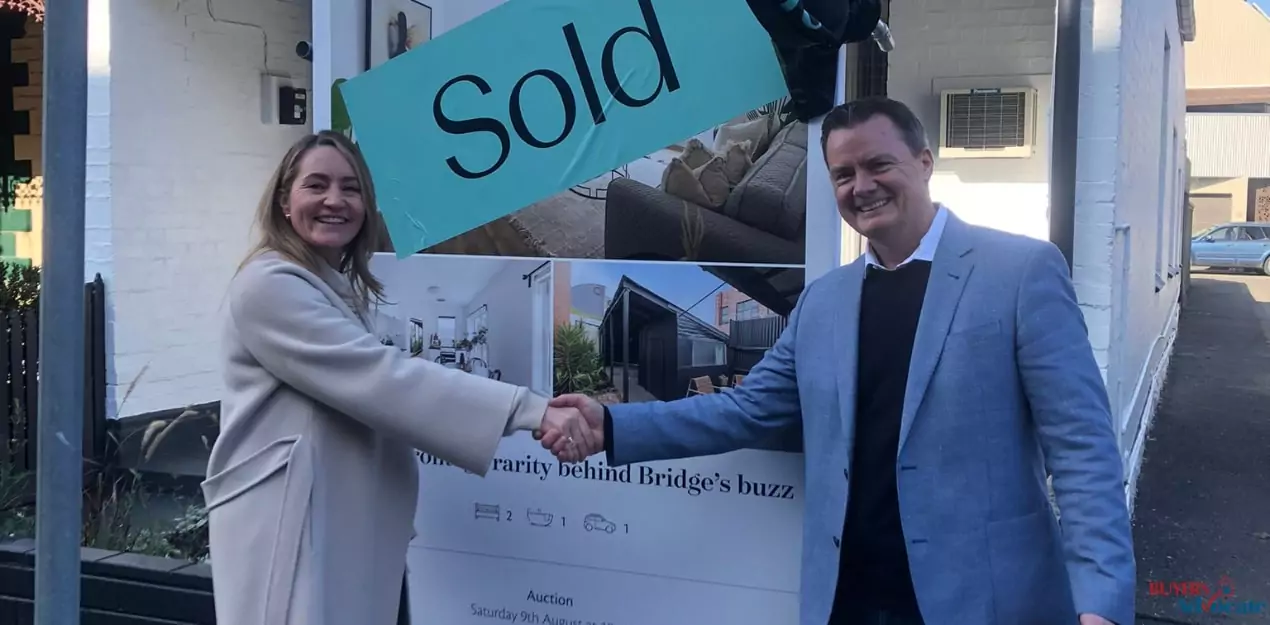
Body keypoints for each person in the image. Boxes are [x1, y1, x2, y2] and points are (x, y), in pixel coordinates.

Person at [541, 97, 1135, 625]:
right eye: (843, 174)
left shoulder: (1021, 272)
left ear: (924, 163)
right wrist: (611, 424)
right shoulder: (824, 300)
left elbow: (1081, 449)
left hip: (983, 599)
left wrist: (1100, 599)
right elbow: (747, 409)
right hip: (846, 598)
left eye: (879, 165)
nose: (862, 186)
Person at [202, 130, 586, 625]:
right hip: (292, 527)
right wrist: (529, 410)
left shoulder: (331, 286)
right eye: (316, 185)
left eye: (351, 188)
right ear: (283, 199)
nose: (335, 201)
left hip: (330, 522)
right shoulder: (269, 286)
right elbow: (384, 379)